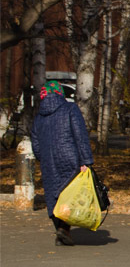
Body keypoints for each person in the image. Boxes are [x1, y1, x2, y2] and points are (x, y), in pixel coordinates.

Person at [30, 79, 94, 246]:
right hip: (70, 158)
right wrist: (86, 160)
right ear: (60, 92)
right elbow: (79, 135)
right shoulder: (70, 108)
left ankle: (61, 231)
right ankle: (64, 230)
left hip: (48, 163)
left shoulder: (38, 117)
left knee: (53, 197)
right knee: (69, 195)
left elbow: (35, 143)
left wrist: (42, 157)